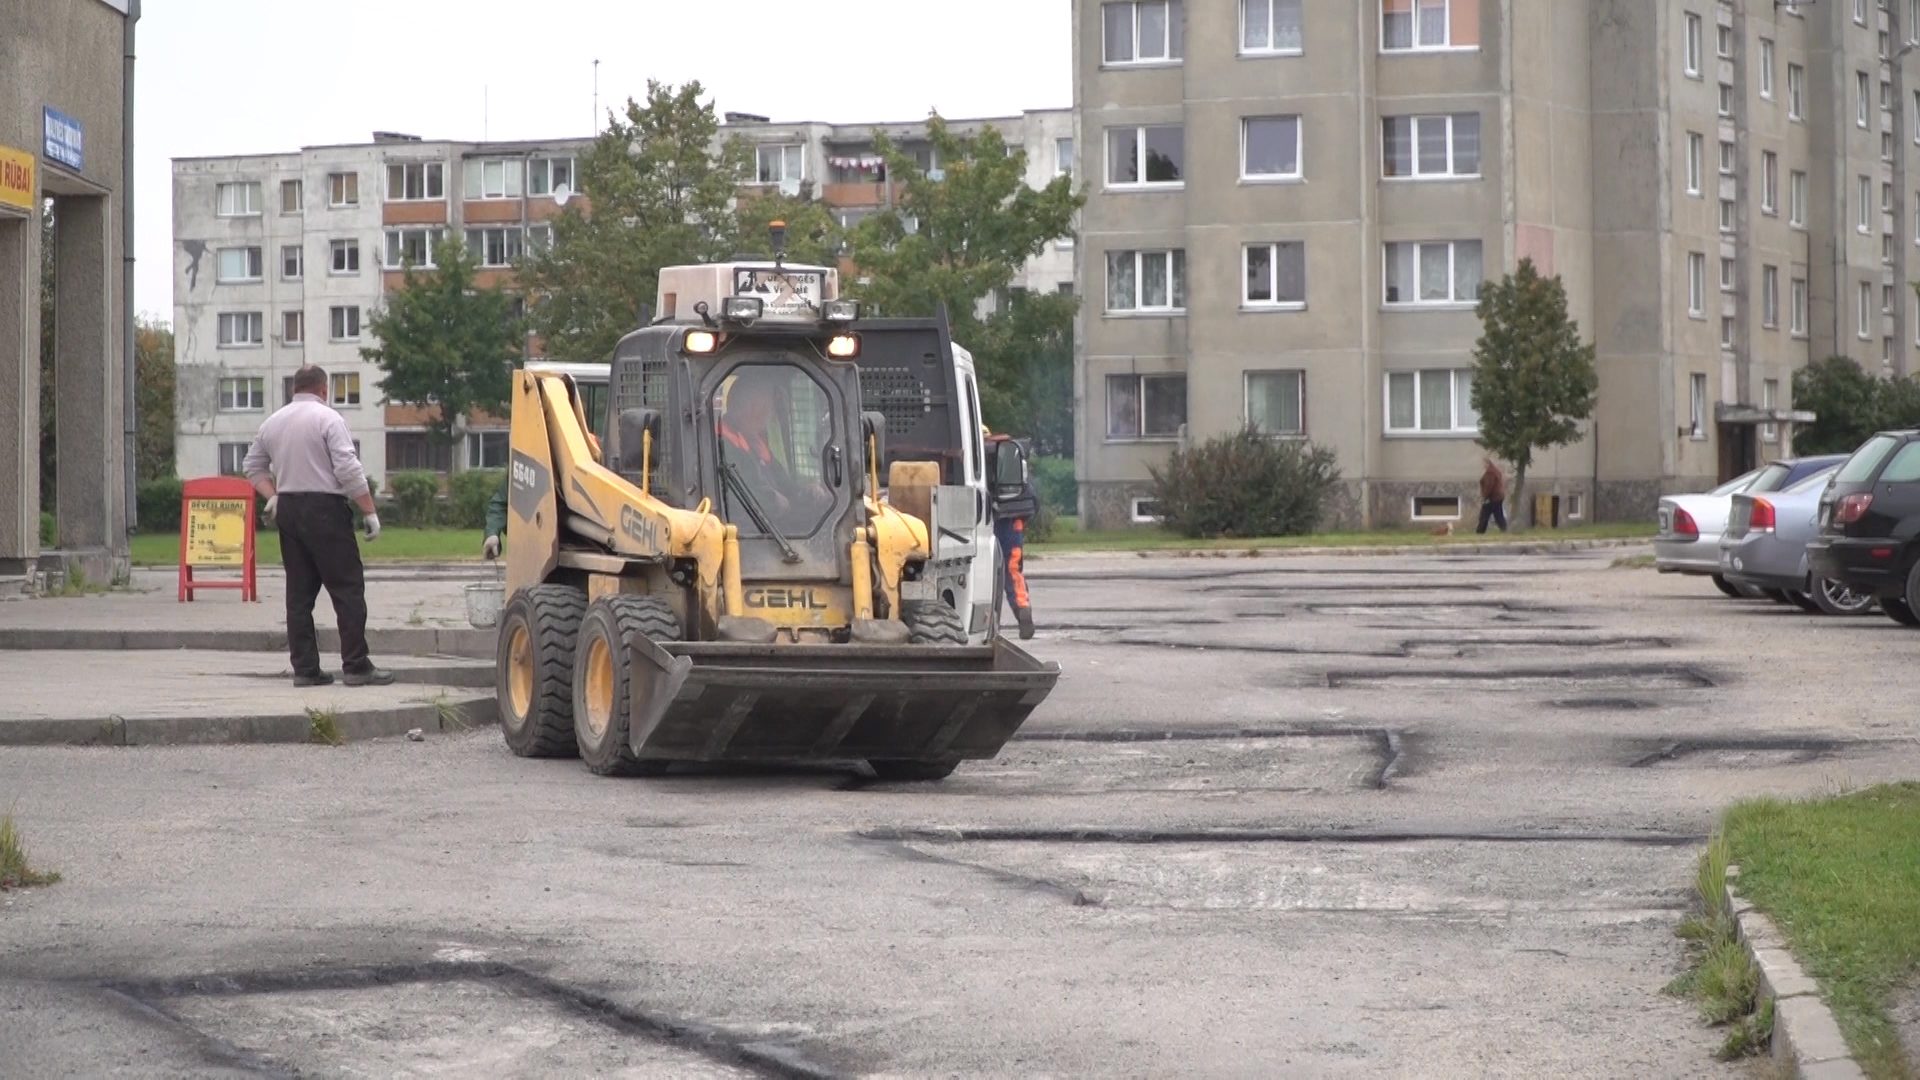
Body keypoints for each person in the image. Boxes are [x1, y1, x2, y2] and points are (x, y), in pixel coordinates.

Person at [243, 365, 392, 687]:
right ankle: (355, 665)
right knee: (347, 588)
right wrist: (369, 511)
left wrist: (273, 496)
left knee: (298, 594)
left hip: (290, 509)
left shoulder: (273, 422)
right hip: (325, 509)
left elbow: (252, 466)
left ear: (294, 389)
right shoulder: (328, 418)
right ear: (324, 390)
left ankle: (306, 670)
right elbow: (347, 467)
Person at [985, 432, 1037, 641]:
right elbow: (1032, 502)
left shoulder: (981, 458)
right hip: (1012, 520)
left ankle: (992, 622)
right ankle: (1023, 615)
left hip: (993, 520)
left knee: (989, 571)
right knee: (1011, 569)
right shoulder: (1009, 458)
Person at [1477, 457, 1509, 535]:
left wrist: (1484, 496)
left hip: (1492, 497)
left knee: (1484, 515)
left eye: (1484, 464)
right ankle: (1504, 529)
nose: (1483, 466)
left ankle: (1480, 532)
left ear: (1488, 464)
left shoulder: (1490, 473)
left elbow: (1488, 485)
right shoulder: (1496, 471)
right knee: (1498, 515)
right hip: (1498, 497)